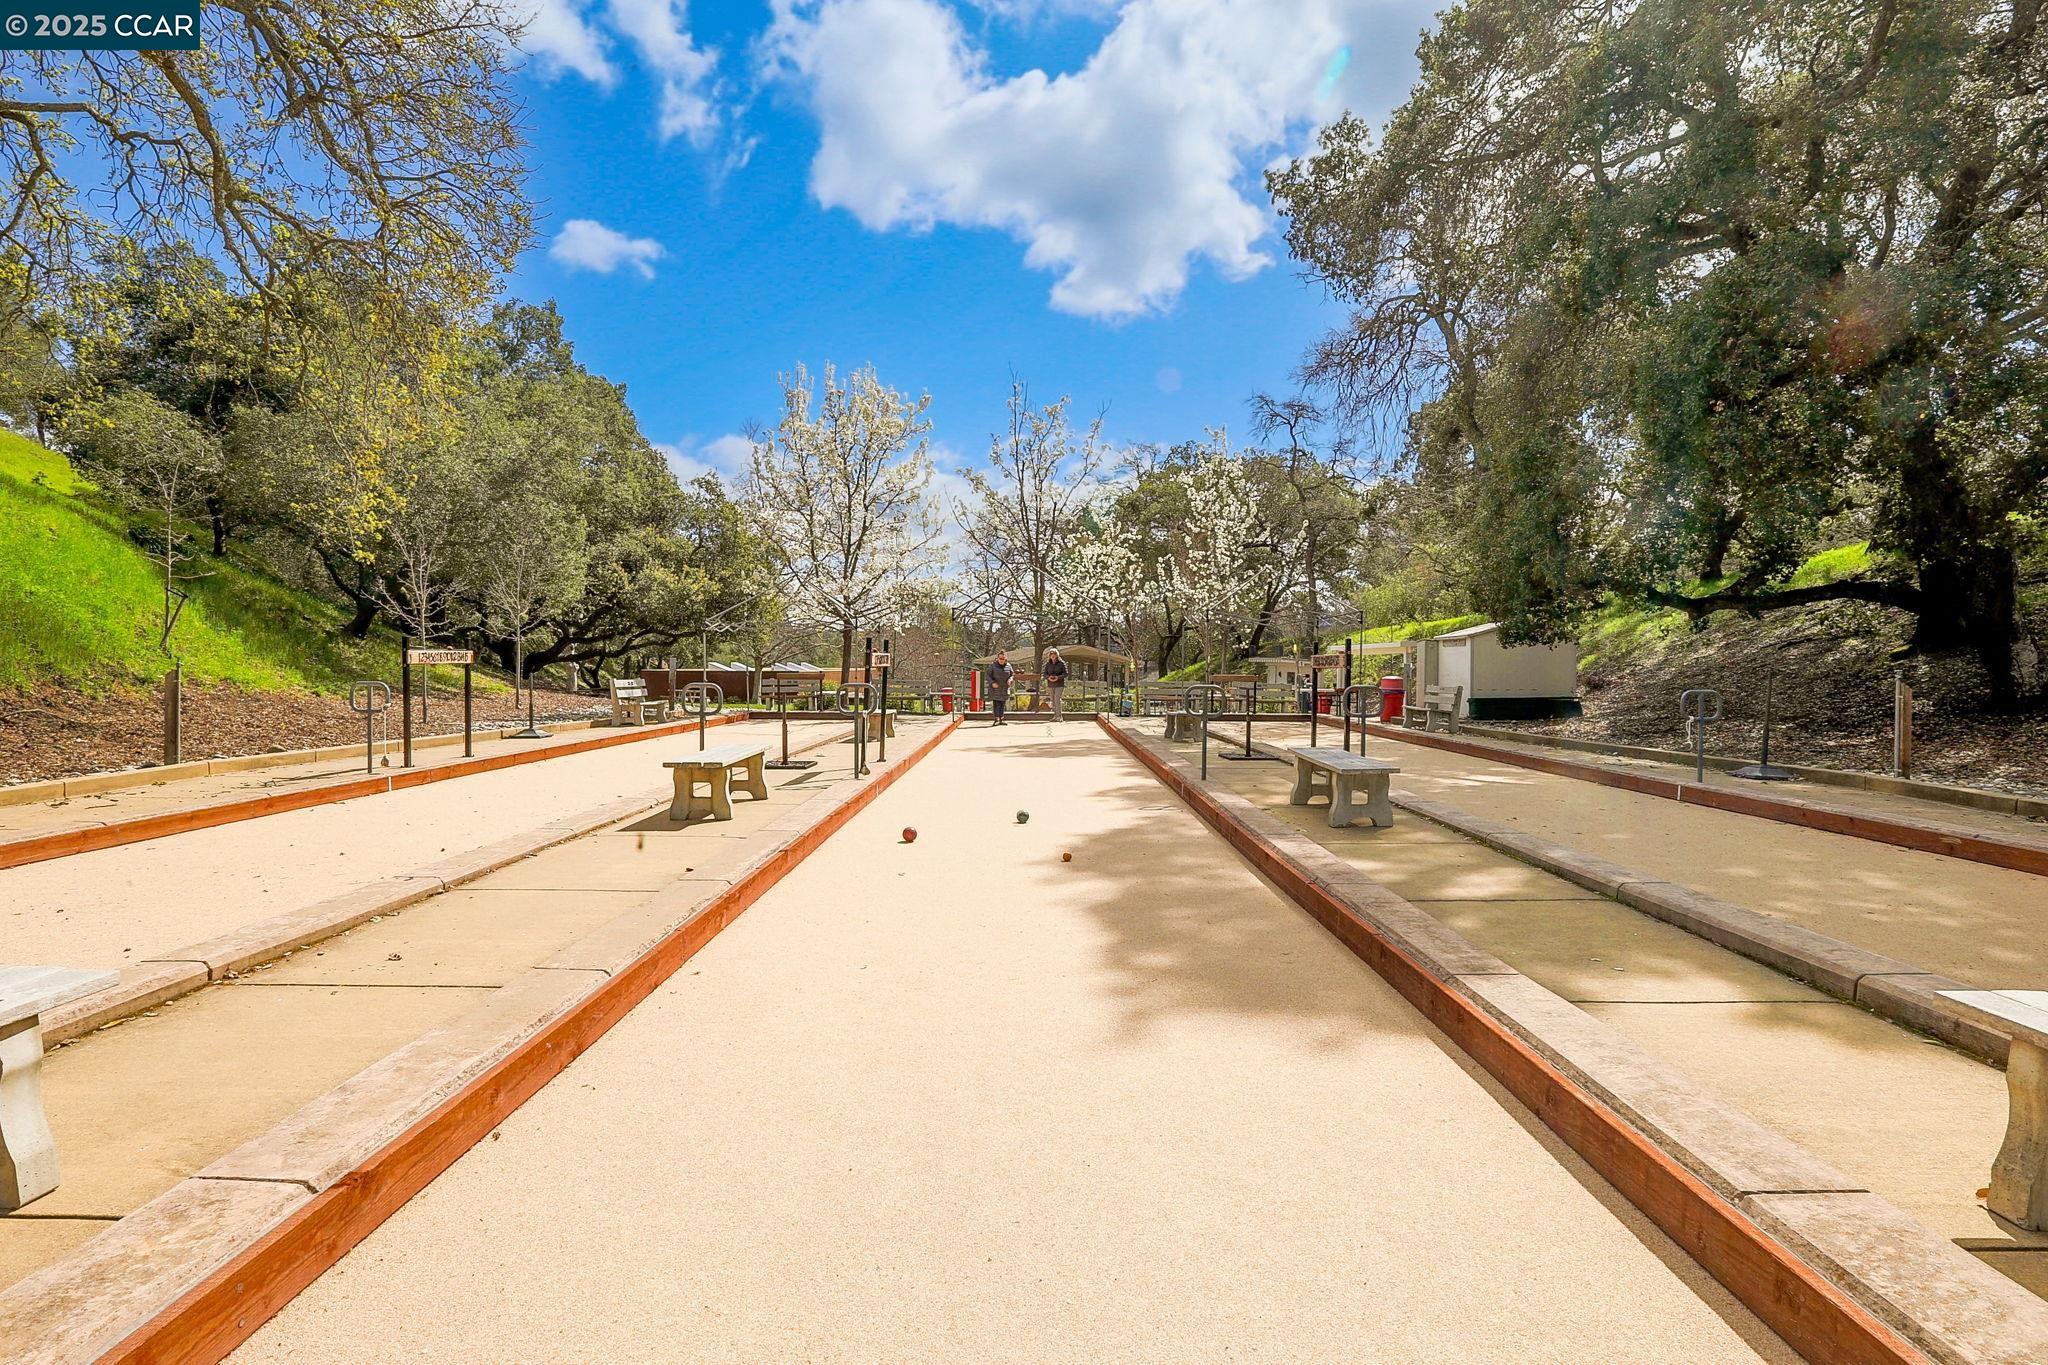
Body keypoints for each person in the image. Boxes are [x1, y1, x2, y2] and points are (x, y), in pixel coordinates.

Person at [986, 650, 1014, 725]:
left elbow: (1012, 674)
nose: (1001, 660)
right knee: (996, 704)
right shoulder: (992, 666)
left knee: (1002, 703)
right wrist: (992, 683)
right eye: (1000, 658)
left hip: (1004, 688)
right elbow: (988, 676)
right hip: (995, 688)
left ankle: (1001, 718)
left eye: (1003, 659)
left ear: (1005, 659)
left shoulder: (1008, 665)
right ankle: (996, 719)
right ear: (997, 658)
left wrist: (1010, 679)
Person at [1042, 648, 1069, 721]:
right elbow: (1044, 674)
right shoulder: (1048, 664)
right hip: (1051, 684)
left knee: (1057, 699)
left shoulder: (1061, 663)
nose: (1053, 655)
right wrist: (1048, 677)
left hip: (1059, 684)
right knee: (1053, 700)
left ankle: (1059, 716)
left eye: (1054, 654)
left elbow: (1065, 674)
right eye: (1051, 654)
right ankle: (1055, 716)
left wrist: (1058, 677)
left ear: (1057, 655)